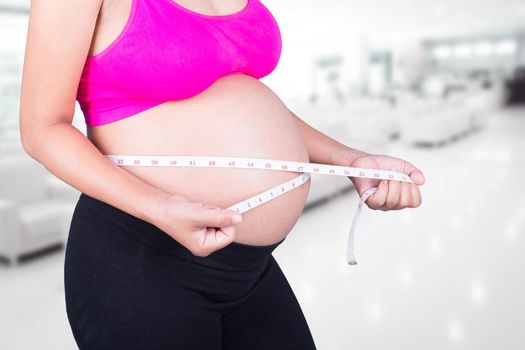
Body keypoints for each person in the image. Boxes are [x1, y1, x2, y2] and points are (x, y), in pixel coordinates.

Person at [19, 0, 425, 349]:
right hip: (141, 259)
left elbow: (238, 99)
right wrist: (161, 206)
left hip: (248, 267)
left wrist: (349, 159)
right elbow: (42, 130)